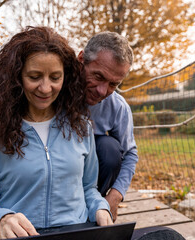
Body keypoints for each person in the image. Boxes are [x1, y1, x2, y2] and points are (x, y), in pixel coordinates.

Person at [0, 26, 112, 240]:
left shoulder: (81, 127)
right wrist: (0, 220)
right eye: (34, 76)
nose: (45, 88)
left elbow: (88, 188)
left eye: (55, 77)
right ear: (17, 77)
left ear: (66, 77)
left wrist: (100, 207)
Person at [77, 31, 138, 222]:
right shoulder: (50, 88)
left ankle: (92, 208)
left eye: (113, 84)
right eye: (98, 76)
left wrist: (115, 195)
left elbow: (130, 154)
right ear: (81, 60)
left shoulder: (117, 106)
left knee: (110, 148)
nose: (103, 91)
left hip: (88, 177)